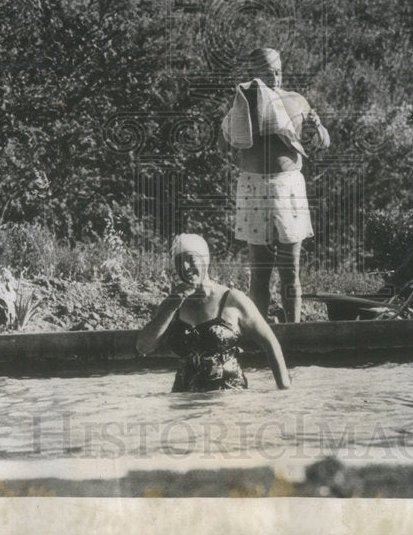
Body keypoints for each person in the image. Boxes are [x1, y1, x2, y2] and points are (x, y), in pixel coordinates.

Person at [218, 47, 330, 323]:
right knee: (260, 272)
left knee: (290, 269)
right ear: (255, 74)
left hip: (287, 186)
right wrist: (238, 117)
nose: (276, 78)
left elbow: (323, 144)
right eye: (268, 73)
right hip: (253, 188)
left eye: (278, 71)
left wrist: (316, 127)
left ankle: (293, 332)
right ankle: (261, 334)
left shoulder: (296, 100)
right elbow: (223, 144)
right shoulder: (243, 100)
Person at [136, 234, 291, 391]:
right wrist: (172, 306)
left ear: (205, 260)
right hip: (185, 403)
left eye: (190, 259)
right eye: (179, 262)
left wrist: (284, 389)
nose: (185, 267)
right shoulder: (171, 305)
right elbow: (143, 347)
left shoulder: (232, 300)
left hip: (228, 400)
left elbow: (270, 342)